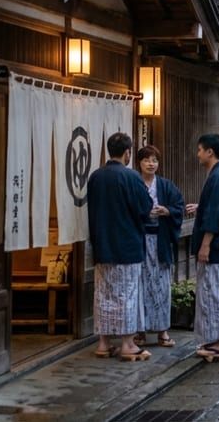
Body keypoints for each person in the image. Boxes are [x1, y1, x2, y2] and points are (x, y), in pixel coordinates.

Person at [87, 132, 153, 361]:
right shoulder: (132, 178)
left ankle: (103, 343)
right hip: (127, 245)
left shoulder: (95, 177)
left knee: (103, 294)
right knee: (126, 294)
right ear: (128, 153)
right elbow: (145, 208)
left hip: (102, 244)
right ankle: (127, 344)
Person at [185, 133, 219, 362]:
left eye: (200, 150)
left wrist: (205, 244)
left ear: (209, 152)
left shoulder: (218, 177)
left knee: (217, 294)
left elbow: (216, 214)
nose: (197, 155)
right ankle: (218, 340)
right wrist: (202, 206)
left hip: (218, 247)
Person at [132, 145, 185, 349]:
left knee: (162, 286)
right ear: (139, 162)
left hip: (160, 240)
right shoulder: (135, 184)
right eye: (146, 160)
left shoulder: (165, 185)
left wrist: (168, 211)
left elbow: (178, 205)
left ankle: (163, 331)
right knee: (140, 285)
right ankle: (140, 330)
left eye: (154, 160)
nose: (151, 164)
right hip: (141, 240)